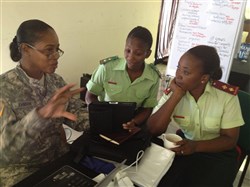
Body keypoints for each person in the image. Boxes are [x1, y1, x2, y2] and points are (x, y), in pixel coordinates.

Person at [0, 19, 89, 186]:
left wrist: (108, 122)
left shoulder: (56, 81)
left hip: (58, 159)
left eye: (57, 49)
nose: (55, 56)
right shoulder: (3, 88)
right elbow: (4, 151)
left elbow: (75, 113)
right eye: (49, 51)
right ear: (25, 49)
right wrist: (39, 117)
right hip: (21, 171)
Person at [147, 45, 244, 187]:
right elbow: (153, 129)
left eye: (186, 72)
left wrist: (196, 146)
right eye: (178, 67)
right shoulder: (175, 90)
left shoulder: (226, 97)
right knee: (163, 180)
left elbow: (230, 140)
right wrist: (176, 96)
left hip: (218, 153)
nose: (178, 75)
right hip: (186, 147)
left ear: (203, 78)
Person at [85, 26, 160, 130]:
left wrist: (134, 122)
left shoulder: (153, 77)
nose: (131, 57)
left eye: (138, 53)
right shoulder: (107, 68)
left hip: (132, 122)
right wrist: (100, 115)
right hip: (104, 118)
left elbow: (147, 108)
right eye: (127, 50)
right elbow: (90, 96)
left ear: (147, 54)